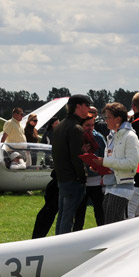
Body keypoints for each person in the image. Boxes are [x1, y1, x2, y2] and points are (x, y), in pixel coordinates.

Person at [51, 94, 94, 234]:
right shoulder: (76, 128)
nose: (88, 108)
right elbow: (77, 157)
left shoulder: (59, 126)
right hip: (73, 179)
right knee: (68, 217)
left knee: (63, 215)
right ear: (78, 106)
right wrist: (82, 176)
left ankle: (58, 243)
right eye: (87, 105)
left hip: (62, 178)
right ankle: (61, 246)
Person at [93, 102, 139, 224]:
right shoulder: (111, 136)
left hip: (122, 188)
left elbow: (131, 163)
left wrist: (104, 162)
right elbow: (112, 162)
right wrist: (100, 167)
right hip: (110, 186)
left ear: (118, 119)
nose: (105, 120)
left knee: (113, 225)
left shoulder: (130, 136)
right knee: (108, 223)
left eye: (108, 117)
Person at [76, 106, 106, 229]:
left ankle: (103, 234)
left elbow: (105, 156)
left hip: (96, 180)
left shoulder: (98, 137)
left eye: (92, 125)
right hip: (81, 181)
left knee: (99, 211)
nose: (90, 128)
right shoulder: (77, 137)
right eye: (87, 125)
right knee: (79, 213)